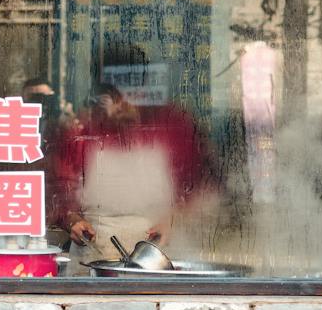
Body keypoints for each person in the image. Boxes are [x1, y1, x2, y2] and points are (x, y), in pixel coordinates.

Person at [50, 54, 211, 264]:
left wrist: (174, 220)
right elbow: (57, 192)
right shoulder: (81, 130)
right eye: (111, 97)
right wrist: (72, 220)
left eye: (127, 94)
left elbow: (204, 189)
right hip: (96, 253)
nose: (120, 105)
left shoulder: (174, 125)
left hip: (160, 255)